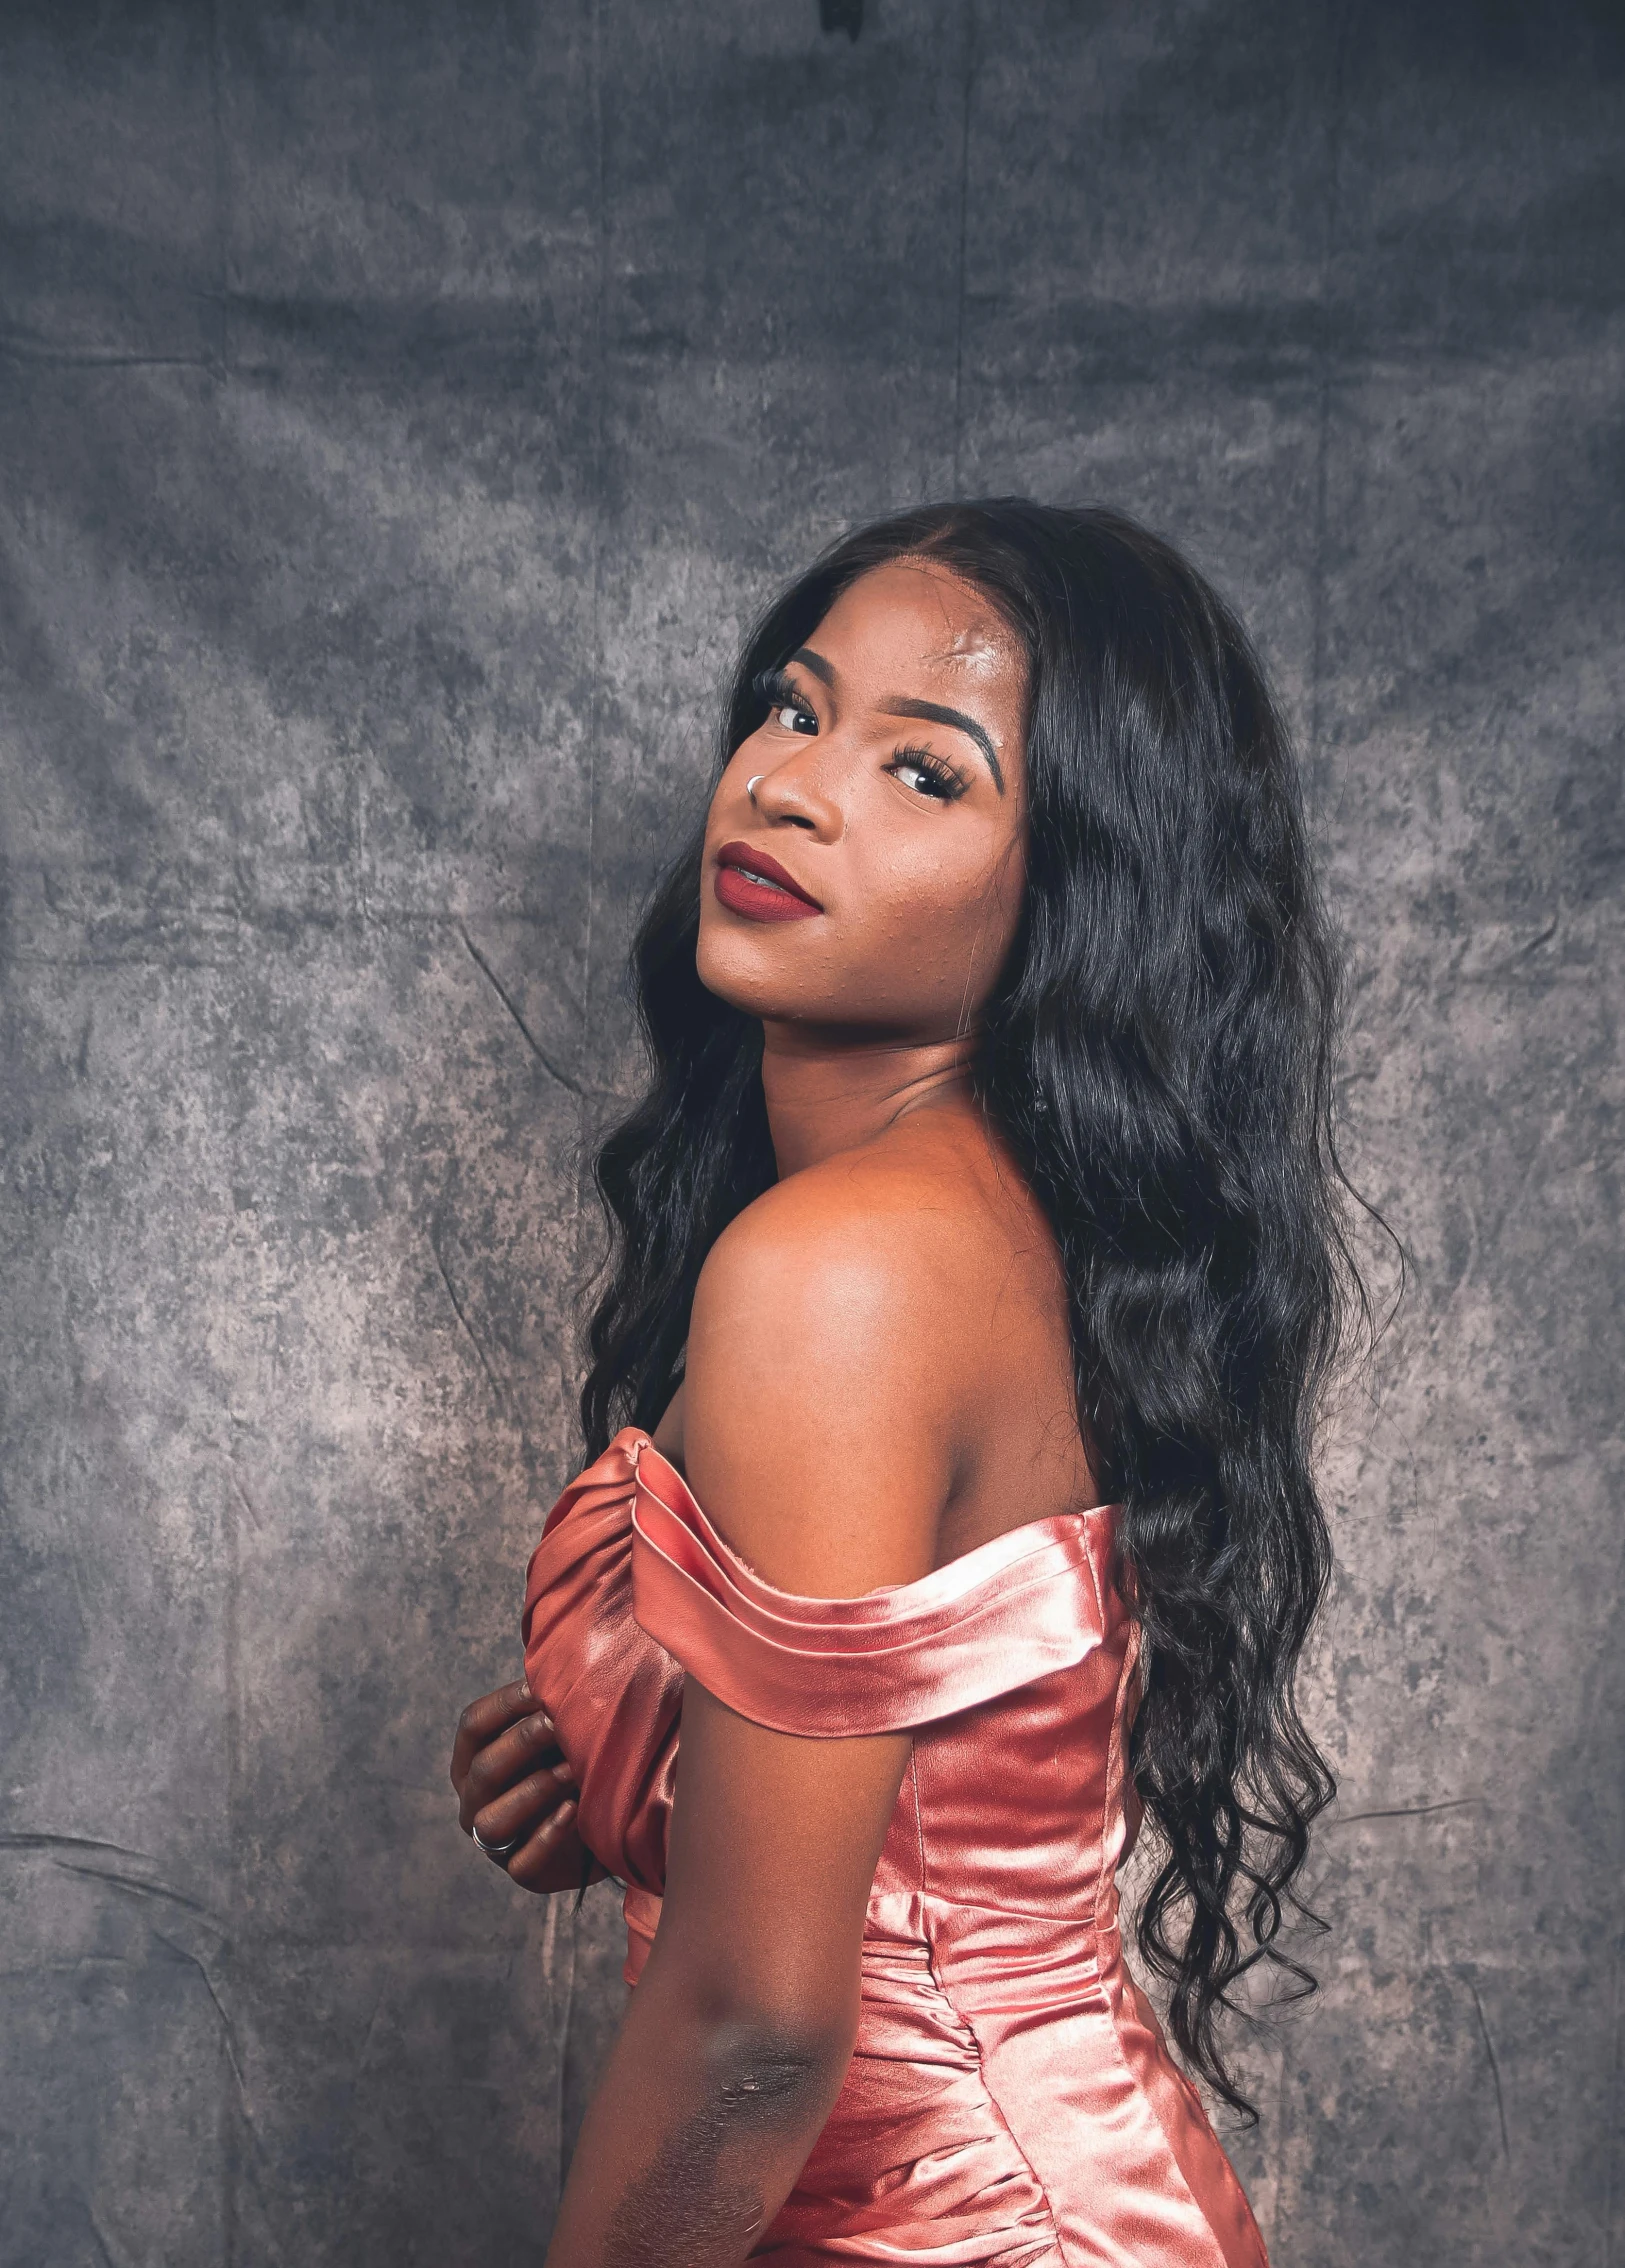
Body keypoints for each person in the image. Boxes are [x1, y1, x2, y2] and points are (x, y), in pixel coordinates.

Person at [449, 500, 1358, 2266]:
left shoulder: (844, 1271)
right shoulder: (1003, 1227)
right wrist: (650, 1787)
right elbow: (946, 1791)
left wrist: (727, 1920)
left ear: (1076, 889)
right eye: (793, 710)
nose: (790, 787)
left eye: (925, 773)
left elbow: (756, 2035)